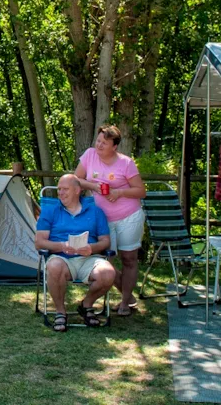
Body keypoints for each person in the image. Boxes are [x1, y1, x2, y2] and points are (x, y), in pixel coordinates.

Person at [75, 124, 147, 316]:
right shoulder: (89, 155)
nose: (99, 145)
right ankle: (129, 295)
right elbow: (76, 179)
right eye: (98, 141)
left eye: (104, 143)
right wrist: (94, 186)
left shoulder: (126, 163)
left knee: (129, 259)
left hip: (128, 216)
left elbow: (141, 191)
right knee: (106, 260)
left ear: (114, 146)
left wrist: (119, 192)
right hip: (102, 218)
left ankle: (125, 302)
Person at [36, 174, 116, 332]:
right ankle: (60, 311)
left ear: (77, 190)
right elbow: (39, 242)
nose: (60, 193)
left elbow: (106, 241)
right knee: (54, 266)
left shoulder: (95, 212)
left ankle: (86, 305)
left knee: (108, 273)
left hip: (89, 258)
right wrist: (61, 246)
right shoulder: (50, 211)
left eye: (65, 189)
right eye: (59, 189)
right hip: (61, 257)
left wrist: (91, 248)